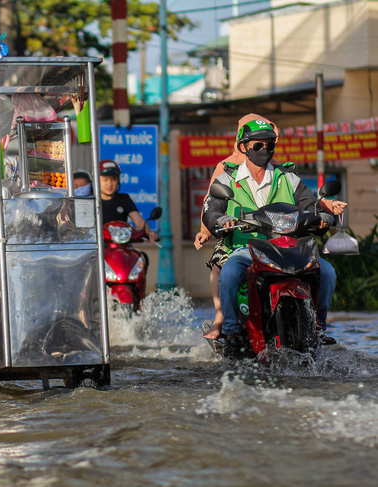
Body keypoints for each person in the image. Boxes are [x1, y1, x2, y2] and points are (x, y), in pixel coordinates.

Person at [195, 114, 347, 340]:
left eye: (270, 144)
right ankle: (231, 330)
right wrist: (219, 220)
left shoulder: (288, 177)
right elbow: (212, 208)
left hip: (289, 249)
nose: (264, 148)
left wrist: (323, 215)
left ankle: (318, 327)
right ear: (244, 147)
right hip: (247, 249)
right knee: (229, 272)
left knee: (327, 272)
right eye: (258, 144)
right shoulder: (227, 178)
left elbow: (309, 205)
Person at [99, 159, 158, 242]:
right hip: (99, 248)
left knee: (140, 255)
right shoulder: (91, 201)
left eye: (114, 179)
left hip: (122, 245)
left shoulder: (124, 199)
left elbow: (138, 221)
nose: (110, 184)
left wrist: (149, 233)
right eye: (105, 180)